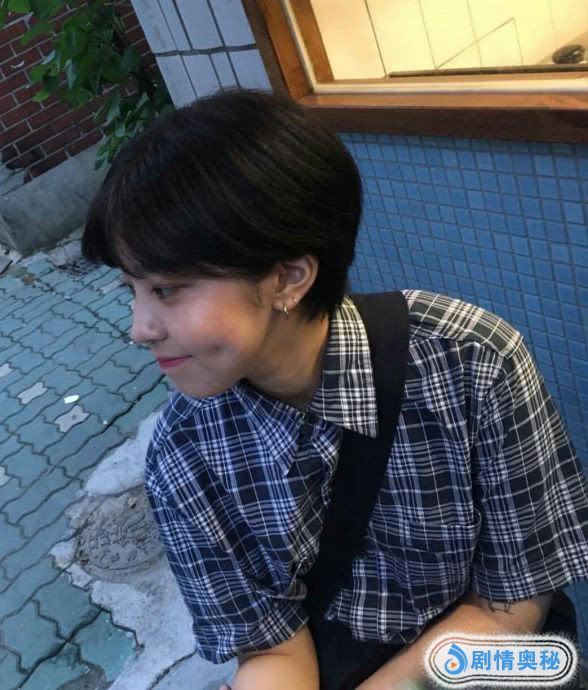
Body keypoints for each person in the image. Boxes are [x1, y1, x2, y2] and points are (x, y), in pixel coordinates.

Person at [82, 88, 588, 689]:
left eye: (166, 290)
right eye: (132, 291)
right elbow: (271, 649)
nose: (140, 328)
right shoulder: (184, 453)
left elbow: (513, 605)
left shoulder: (471, 362)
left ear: (287, 276)